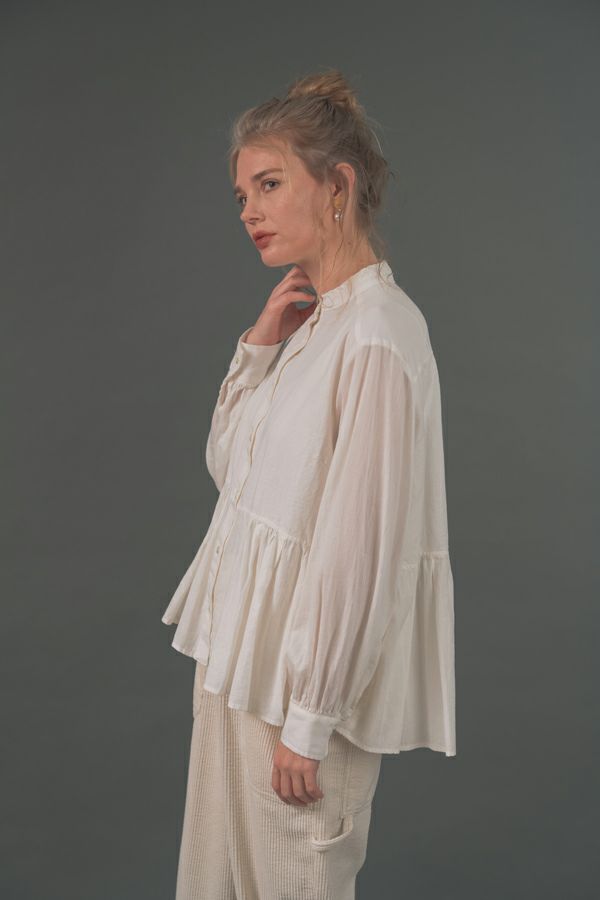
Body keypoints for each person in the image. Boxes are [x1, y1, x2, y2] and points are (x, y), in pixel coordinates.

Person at [161, 67, 456, 900]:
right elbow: (233, 475)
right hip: (237, 676)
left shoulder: (379, 335)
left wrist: (311, 718)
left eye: (269, 183)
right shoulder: (316, 324)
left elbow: (360, 551)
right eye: (241, 194)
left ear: (338, 187)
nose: (248, 210)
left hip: (295, 708)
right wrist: (259, 349)